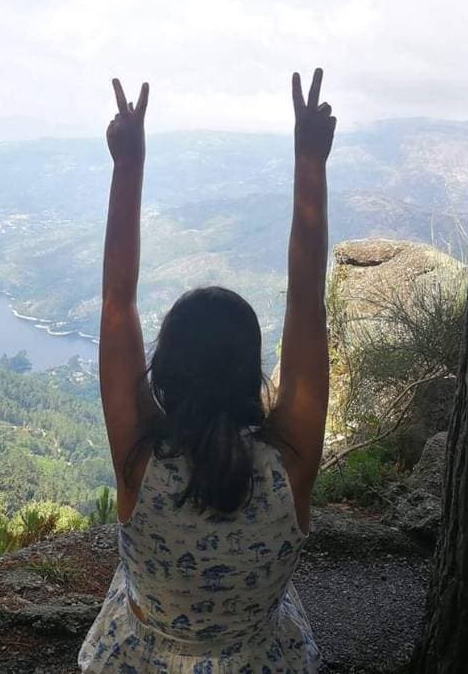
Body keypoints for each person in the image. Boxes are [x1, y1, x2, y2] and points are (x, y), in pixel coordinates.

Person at [79, 70, 336, 673]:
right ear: (251, 372)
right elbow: (307, 303)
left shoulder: (140, 460)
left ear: (165, 371)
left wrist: (128, 163)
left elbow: (117, 301)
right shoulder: (290, 462)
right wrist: (310, 159)